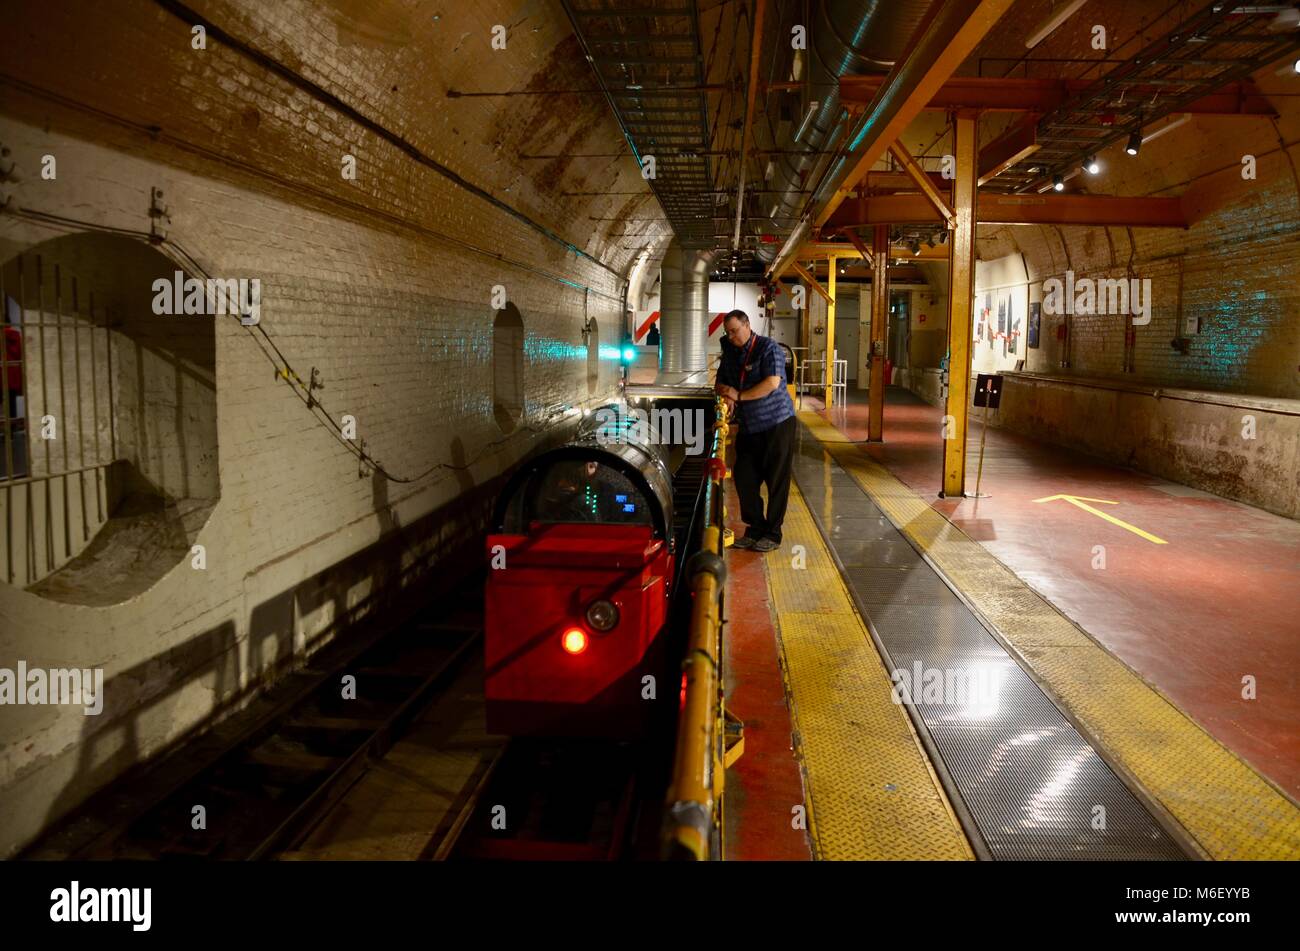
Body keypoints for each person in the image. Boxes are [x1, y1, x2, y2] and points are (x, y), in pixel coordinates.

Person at [714, 309, 795, 552]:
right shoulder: (730, 353)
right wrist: (726, 395)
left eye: (735, 331)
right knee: (744, 478)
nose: (731, 337)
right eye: (727, 332)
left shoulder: (769, 348)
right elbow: (719, 383)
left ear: (748, 325)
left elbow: (772, 383)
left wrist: (738, 395)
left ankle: (773, 533)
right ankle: (755, 528)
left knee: (776, 480)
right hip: (750, 427)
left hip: (777, 424)